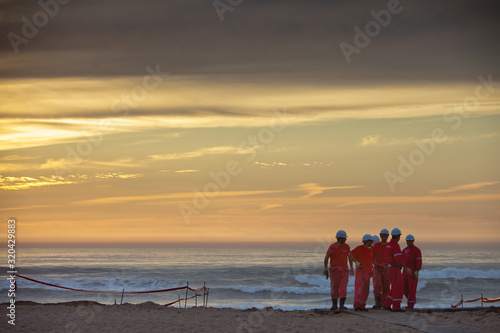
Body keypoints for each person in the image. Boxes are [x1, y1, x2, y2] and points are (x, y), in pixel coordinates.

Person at [382, 228, 412, 312]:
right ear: (398, 236)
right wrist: (405, 268)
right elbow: (398, 258)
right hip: (395, 268)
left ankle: (387, 304)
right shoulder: (395, 245)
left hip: (390, 268)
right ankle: (396, 306)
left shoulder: (389, 245)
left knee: (394, 288)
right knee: (398, 288)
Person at [324, 230, 354, 310]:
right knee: (334, 287)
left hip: (344, 269)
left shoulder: (347, 246)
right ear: (339, 238)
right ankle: (334, 305)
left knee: (343, 287)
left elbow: (349, 257)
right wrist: (325, 268)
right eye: (344, 238)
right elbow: (326, 258)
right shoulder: (332, 247)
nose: (345, 239)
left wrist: (351, 267)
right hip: (334, 270)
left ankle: (341, 305)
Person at [348, 234, 374, 311]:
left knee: (366, 290)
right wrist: (356, 263)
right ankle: (357, 305)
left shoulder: (370, 250)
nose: (372, 243)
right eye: (371, 241)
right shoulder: (360, 248)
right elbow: (350, 254)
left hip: (368, 272)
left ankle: (362, 305)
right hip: (361, 271)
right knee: (359, 288)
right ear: (367, 241)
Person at [371, 228, 390, 309]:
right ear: (380, 236)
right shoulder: (376, 246)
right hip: (377, 268)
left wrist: (387, 265)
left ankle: (385, 302)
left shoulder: (389, 246)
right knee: (377, 285)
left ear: (388, 236)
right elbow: (372, 257)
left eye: (386, 236)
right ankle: (378, 302)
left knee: (386, 286)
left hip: (386, 269)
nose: (384, 237)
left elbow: (391, 257)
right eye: (383, 236)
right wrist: (377, 263)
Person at [402, 234, 422, 309]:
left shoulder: (416, 250)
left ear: (413, 241)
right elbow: (400, 260)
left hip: (413, 271)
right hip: (405, 271)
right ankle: (412, 300)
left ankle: (410, 305)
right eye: (408, 241)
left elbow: (419, 261)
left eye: (410, 241)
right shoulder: (404, 251)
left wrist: (417, 270)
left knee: (412, 288)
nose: (409, 242)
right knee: (403, 288)